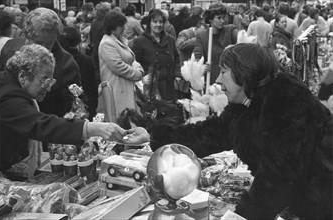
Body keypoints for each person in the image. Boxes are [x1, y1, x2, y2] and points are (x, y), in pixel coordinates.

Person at [131, 43, 333, 220]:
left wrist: (241, 216)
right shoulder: (244, 104)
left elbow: (278, 175)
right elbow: (208, 134)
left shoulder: (286, 99)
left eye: (224, 71)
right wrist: (152, 135)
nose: (218, 79)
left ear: (244, 74)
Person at [0, 44, 146, 174]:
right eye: (44, 80)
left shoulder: (10, 85)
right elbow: (40, 124)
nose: (48, 89)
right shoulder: (6, 97)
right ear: (23, 77)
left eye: (51, 81)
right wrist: (92, 128)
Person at [0, 7, 85, 118]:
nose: (43, 48)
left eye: (49, 43)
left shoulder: (67, 64)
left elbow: (74, 105)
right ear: (27, 36)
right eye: (38, 42)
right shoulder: (9, 49)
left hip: (47, 127)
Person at [97, 11, 144, 123]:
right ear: (114, 26)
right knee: (121, 121)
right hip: (116, 89)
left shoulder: (117, 40)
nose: (124, 28)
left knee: (129, 120)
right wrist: (137, 74)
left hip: (124, 87)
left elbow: (132, 60)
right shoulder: (107, 43)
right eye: (122, 25)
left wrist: (137, 67)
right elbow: (118, 66)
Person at [132, 9, 181, 102]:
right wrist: (144, 77)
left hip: (169, 86)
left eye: (161, 22)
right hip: (150, 88)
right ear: (149, 23)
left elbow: (177, 58)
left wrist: (177, 74)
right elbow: (136, 63)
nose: (158, 25)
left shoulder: (170, 39)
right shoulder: (140, 41)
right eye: (155, 22)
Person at [59, 26, 98, 121]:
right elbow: (93, 86)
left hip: (64, 109)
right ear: (78, 41)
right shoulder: (87, 60)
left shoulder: (60, 61)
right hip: (86, 105)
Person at [193, 3, 238, 85]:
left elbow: (241, 39)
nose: (222, 21)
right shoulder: (201, 35)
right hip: (211, 80)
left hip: (230, 79)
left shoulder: (230, 30)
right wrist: (201, 66)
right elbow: (198, 56)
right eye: (219, 18)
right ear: (210, 19)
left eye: (223, 17)